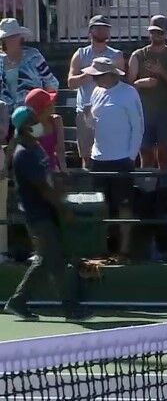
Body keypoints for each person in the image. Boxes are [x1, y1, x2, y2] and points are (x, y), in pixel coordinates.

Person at [3, 107, 90, 321]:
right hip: (38, 216)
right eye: (33, 120)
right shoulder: (23, 154)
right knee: (55, 262)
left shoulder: (35, 146)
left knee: (44, 260)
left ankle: (18, 302)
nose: (39, 122)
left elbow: (48, 178)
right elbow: (43, 187)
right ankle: (70, 308)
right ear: (25, 126)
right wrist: (63, 208)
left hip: (47, 212)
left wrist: (61, 193)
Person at [85, 57, 144, 258]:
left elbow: (138, 127)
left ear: (109, 75)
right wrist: (87, 116)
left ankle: (124, 250)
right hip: (99, 160)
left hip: (121, 160)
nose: (94, 79)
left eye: (97, 76)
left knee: (124, 206)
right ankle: (102, 249)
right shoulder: (96, 92)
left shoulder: (129, 93)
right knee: (102, 207)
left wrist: (130, 156)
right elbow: (93, 125)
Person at [67, 15, 125, 168]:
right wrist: (90, 74)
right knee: (86, 155)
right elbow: (71, 83)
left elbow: (121, 83)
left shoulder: (116, 55)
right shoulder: (80, 54)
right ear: (90, 31)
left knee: (110, 153)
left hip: (109, 110)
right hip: (86, 110)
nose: (102, 31)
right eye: (98, 28)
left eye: (105, 28)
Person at [128, 15, 167, 170]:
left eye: (160, 32)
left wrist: (162, 73)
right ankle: (147, 184)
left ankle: (163, 184)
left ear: (166, 33)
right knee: (146, 156)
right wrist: (141, 83)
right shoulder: (138, 55)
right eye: (153, 32)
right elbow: (128, 86)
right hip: (143, 113)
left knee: (164, 156)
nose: (156, 35)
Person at [0, 18, 59, 117]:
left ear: (20, 37)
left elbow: (51, 82)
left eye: (15, 36)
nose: (12, 40)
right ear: (3, 40)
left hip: (33, 115)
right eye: (8, 37)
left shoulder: (34, 56)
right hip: (5, 117)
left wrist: (46, 108)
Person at [24, 88, 66, 173]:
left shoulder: (56, 120)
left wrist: (63, 169)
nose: (54, 103)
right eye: (50, 103)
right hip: (35, 170)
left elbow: (60, 148)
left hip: (54, 168)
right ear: (42, 109)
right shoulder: (30, 127)